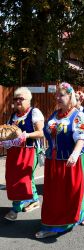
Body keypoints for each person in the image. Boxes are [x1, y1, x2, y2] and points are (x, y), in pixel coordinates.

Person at [35, 82, 84, 239]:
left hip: (69, 161)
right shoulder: (54, 115)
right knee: (53, 195)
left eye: (61, 95)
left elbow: (82, 137)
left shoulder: (78, 115)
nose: (58, 97)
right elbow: (48, 133)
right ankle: (53, 221)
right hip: (53, 161)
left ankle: (60, 226)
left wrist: (75, 154)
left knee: (67, 195)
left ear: (70, 97)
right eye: (56, 95)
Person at [4, 87, 44, 221]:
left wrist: (26, 135)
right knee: (11, 178)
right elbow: (8, 133)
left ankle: (16, 208)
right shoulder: (13, 115)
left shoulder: (34, 112)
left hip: (29, 150)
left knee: (22, 178)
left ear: (28, 100)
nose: (18, 101)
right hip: (13, 151)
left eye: (21, 98)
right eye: (16, 99)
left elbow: (41, 133)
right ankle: (35, 200)